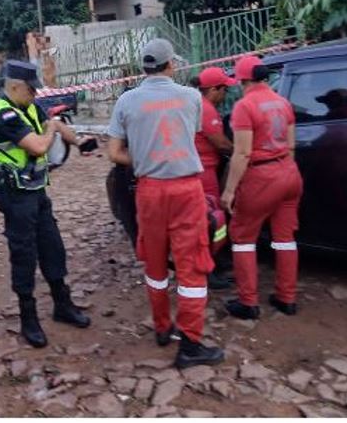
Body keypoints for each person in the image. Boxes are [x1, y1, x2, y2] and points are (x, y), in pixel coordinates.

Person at [107, 38, 224, 369]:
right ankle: (190, 344)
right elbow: (193, 133)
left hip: (149, 191)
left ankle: (162, 328)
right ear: (170, 64)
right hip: (187, 190)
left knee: (155, 263)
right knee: (192, 267)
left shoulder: (126, 101)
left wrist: (143, 157)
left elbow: (115, 153)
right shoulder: (190, 97)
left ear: (144, 68)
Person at [0, 60, 98, 348]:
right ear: (13, 86)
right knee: (24, 255)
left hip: (36, 192)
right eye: (30, 90)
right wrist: (52, 131)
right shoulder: (4, 115)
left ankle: (63, 304)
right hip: (15, 196)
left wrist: (79, 141)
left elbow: (55, 124)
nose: (35, 95)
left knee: (52, 247)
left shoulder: (28, 107)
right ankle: (28, 317)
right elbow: (38, 145)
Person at [220, 55, 304, 319]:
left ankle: (248, 303)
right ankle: (286, 298)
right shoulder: (283, 102)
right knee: (285, 239)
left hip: (261, 176)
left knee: (243, 237)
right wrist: (282, 171)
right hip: (289, 173)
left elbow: (242, 153)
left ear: (242, 80)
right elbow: (291, 146)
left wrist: (230, 190)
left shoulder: (245, 107)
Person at [194, 67, 237, 200]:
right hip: (205, 170)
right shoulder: (206, 109)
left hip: (200, 168)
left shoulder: (200, 105)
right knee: (213, 213)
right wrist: (242, 154)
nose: (225, 94)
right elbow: (221, 144)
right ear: (213, 89)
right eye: (225, 89)